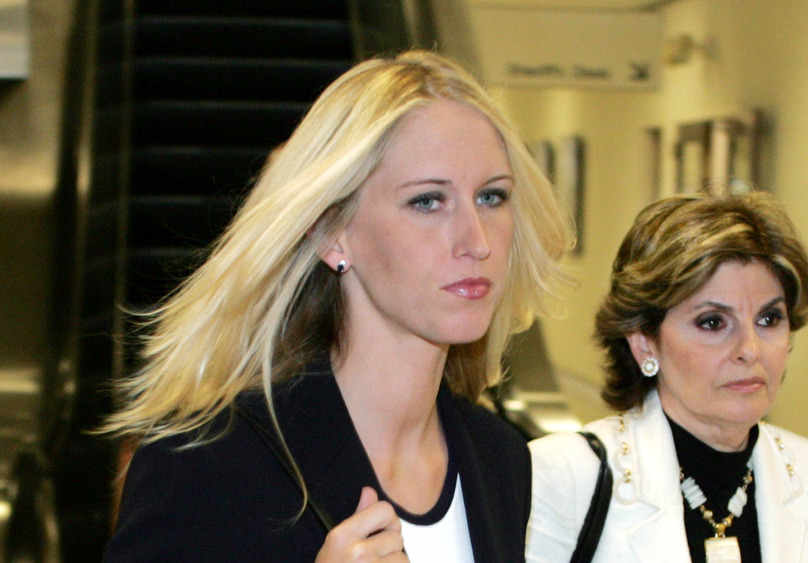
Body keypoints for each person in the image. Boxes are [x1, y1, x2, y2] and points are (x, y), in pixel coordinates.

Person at [102, 50, 573, 562]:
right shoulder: (211, 459)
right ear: (333, 234)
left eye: (491, 197)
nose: (476, 241)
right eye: (427, 201)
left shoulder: (499, 457)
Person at [526, 192, 808, 562]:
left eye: (769, 319)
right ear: (645, 343)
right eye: (713, 322)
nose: (751, 349)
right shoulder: (565, 474)